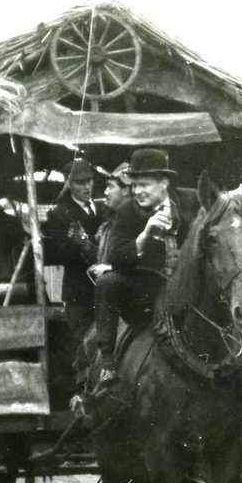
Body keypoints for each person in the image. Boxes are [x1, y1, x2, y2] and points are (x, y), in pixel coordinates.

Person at [94, 149, 201, 385]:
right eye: (134, 186)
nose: (137, 191)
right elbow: (118, 260)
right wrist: (145, 234)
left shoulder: (192, 200)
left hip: (190, 288)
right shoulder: (125, 212)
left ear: (164, 182)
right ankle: (107, 362)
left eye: (144, 185)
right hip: (148, 292)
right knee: (107, 281)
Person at [43, 158, 102, 362]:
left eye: (89, 181)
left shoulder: (103, 208)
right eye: (80, 182)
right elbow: (61, 253)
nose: (87, 187)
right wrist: (88, 244)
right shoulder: (59, 214)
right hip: (80, 293)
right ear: (69, 184)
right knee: (83, 349)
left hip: (105, 290)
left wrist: (84, 240)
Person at [87, 162, 133, 283]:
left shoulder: (139, 224)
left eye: (111, 186)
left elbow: (144, 268)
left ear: (126, 190)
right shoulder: (107, 226)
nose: (106, 192)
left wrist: (109, 269)